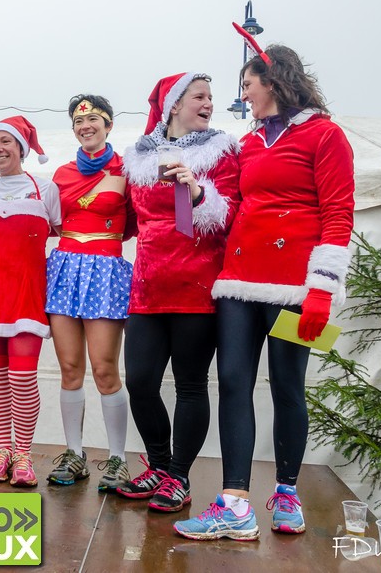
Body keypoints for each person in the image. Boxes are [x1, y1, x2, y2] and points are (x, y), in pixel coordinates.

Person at [174, 30, 354, 540]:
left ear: (273, 81)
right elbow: (232, 208)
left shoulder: (325, 135)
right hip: (237, 282)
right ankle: (234, 503)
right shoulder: (247, 144)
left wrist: (322, 287)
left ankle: (288, 493)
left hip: (298, 289)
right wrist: (195, 191)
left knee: (288, 385)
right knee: (232, 381)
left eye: (247, 84)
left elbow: (339, 212)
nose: (243, 95)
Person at [117, 73, 240, 513]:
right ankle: (158, 464)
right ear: (173, 104)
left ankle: (180, 476)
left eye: (211, 97)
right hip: (148, 286)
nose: (209, 103)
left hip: (197, 285)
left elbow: (229, 216)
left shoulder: (221, 151)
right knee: (140, 382)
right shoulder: (136, 156)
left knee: (190, 385)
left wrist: (197, 188)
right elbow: (127, 216)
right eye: (199, 96)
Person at [0, 116, 61, 488]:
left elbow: (59, 229)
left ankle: (23, 453)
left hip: (27, 295)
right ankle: (2, 449)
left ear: (21, 147)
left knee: (22, 379)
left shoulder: (45, 188)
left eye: (6, 142)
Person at [45, 94, 135, 490]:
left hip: (104, 268)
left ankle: (117, 458)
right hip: (65, 267)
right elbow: (47, 220)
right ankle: (75, 452)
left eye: (94, 120)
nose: (86, 126)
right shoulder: (61, 173)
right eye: (79, 122)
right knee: (69, 369)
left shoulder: (128, 169)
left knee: (104, 369)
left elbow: (139, 221)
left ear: (108, 124)